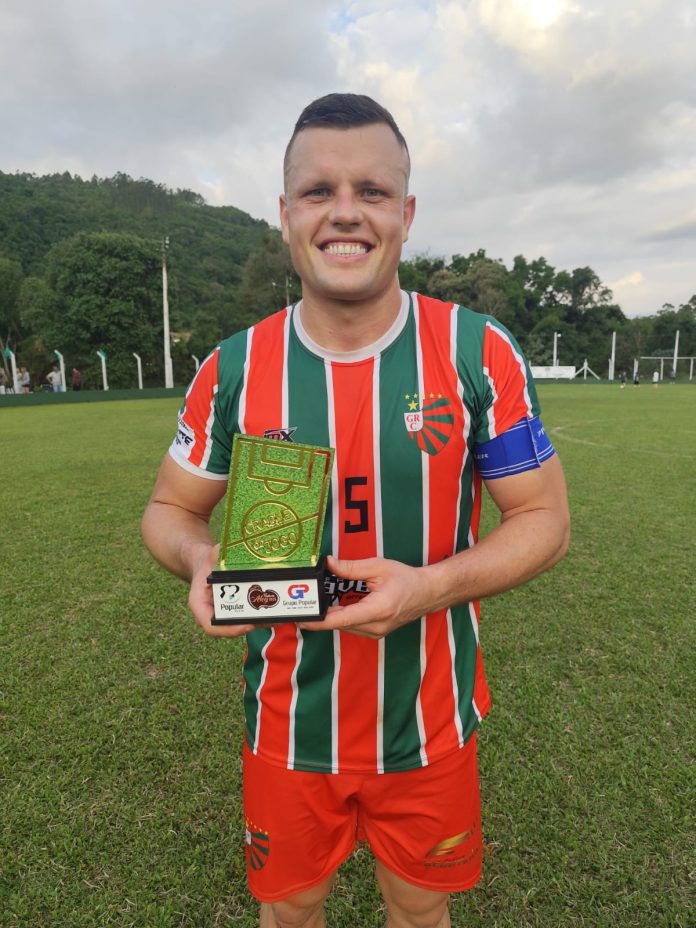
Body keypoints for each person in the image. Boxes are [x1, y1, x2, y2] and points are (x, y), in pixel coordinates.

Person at [142, 93, 570, 928]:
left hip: (429, 725)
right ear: (286, 215)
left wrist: (429, 588)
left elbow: (544, 522)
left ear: (406, 214)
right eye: (319, 191)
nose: (345, 212)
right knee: (290, 912)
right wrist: (200, 559)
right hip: (288, 728)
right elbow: (169, 507)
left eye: (372, 190)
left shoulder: (478, 351)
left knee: (421, 912)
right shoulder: (234, 368)